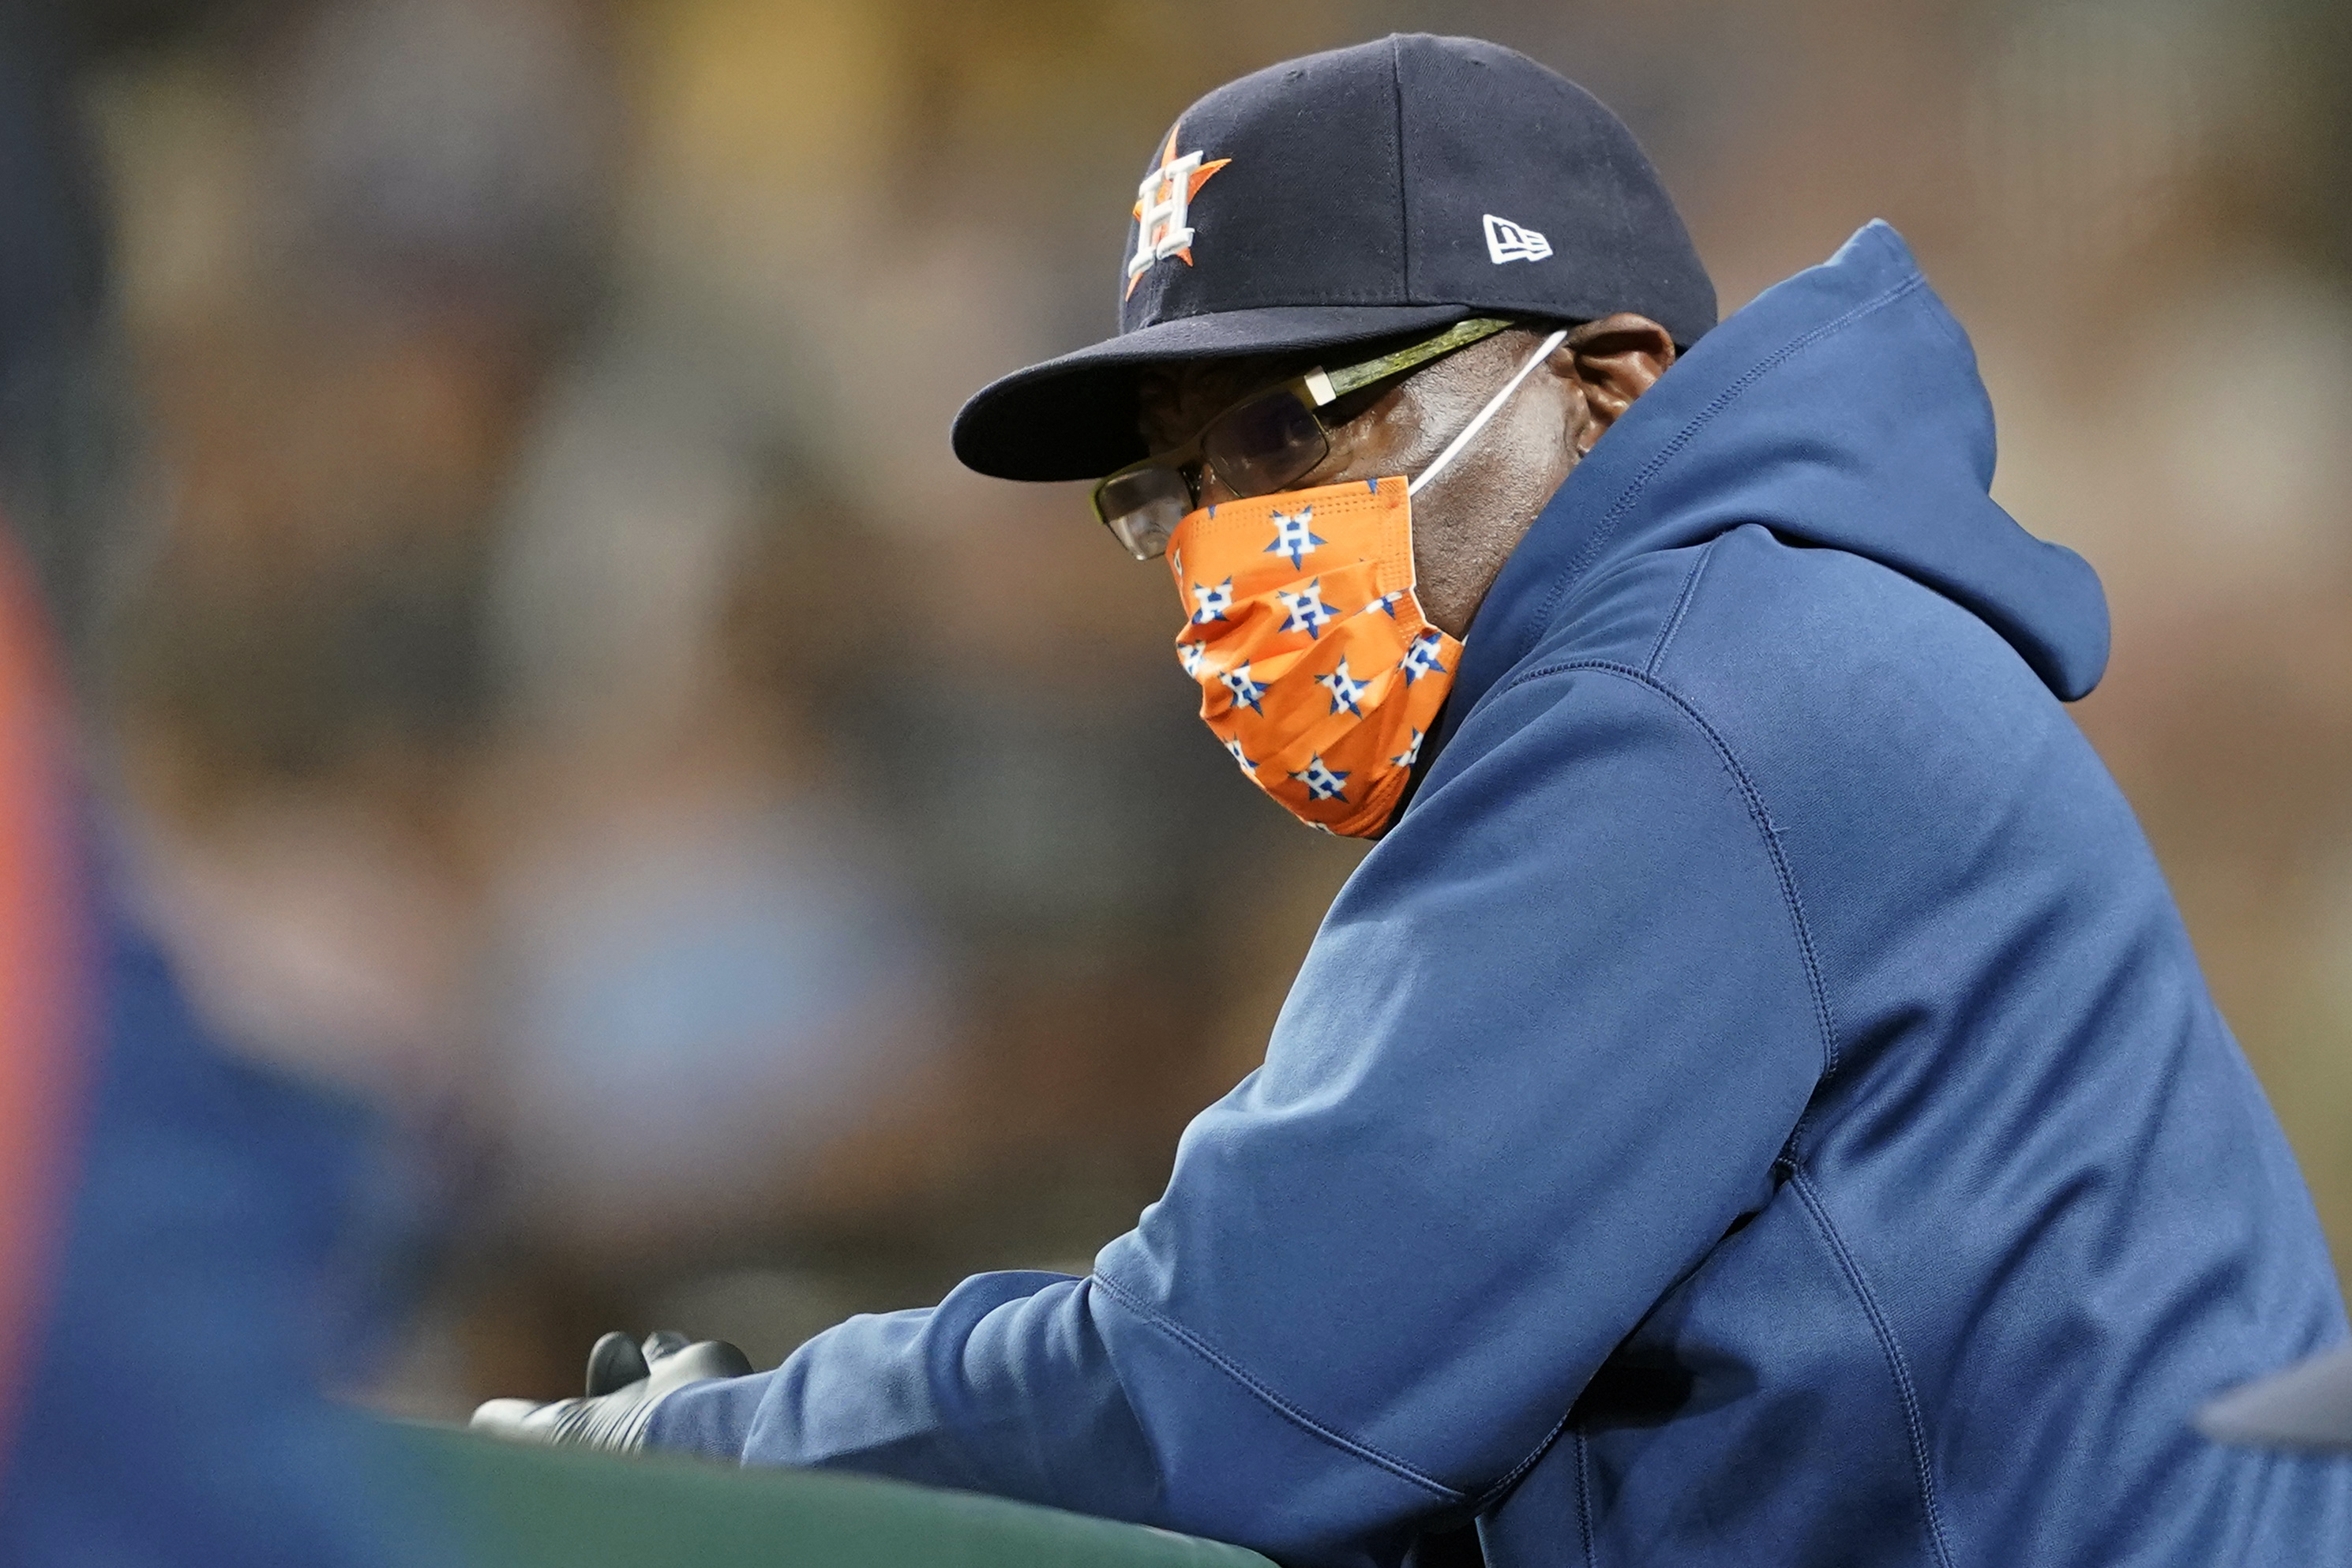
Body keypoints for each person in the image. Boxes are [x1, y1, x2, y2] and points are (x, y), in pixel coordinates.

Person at [475, 34, 2352, 1566]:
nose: (1227, 544)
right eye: (1176, 483)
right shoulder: (1747, 643)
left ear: (1603, 388)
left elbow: (1237, 1380)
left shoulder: (1686, 697)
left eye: (1292, 430)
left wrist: (709, 1452)